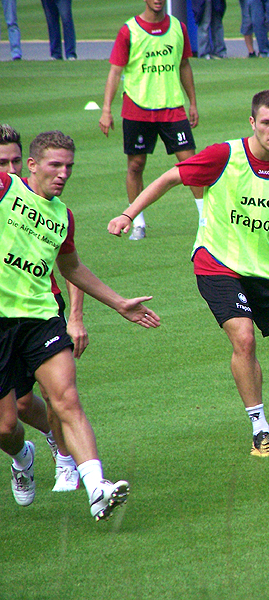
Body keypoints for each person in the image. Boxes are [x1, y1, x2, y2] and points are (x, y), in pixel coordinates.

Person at [108, 90, 269, 456]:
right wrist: (128, 214)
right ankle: (260, 427)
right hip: (217, 263)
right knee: (243, 338)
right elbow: (168, 178)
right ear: (253, 122)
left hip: (265, 266)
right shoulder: (224, 156)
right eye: (267, 123)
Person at [1, 130, 161, 519]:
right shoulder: (6, 188)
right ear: (32, 165)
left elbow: (71, 268)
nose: (63, 174)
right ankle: (23, 456)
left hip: (40, 317)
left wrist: (119, 303)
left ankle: (97, 488)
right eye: (55, 165)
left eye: (69, 166)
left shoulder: (63, 216)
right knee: (6, 426)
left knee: (67, 399)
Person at [0, 124, 83, 493]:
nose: (12, 169)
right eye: (4, 162)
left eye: (17, 161)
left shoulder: (54, 210)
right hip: (6, 316)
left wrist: (76, 317)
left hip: (45, 305)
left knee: (58, 392)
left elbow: (70, 267)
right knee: (17, 407)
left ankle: (67, 461)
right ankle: (37, 446)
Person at [100, 0, 203, 241]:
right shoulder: (129, 30)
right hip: (137, 109)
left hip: (173, 108)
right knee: (135, 166)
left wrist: (193, 103)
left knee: (192, 167)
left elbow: (184, 65)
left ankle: (205, 221)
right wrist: (106, 109)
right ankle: (138, 223)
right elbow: (115, 71)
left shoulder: (179, 28)